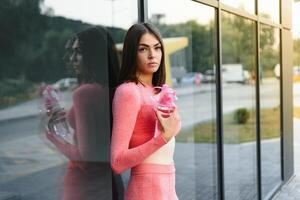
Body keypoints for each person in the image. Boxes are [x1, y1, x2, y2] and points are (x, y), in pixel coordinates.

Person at [45, 26, 122, 200]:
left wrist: (52, 136)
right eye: (72, 52)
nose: (72, 59)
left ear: (94, 54)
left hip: (85, 187)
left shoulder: (84, 93)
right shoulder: (116, 91)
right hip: (110, 183)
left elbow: (86, 159)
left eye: (78, 52)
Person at [110, 23, 181, 200]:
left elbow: (169, 133)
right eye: (143, 49)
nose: (152, 55)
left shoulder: (159, 91)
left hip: (168, 188)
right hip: (146, 191)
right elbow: (117, 162)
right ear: (132, 53)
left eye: (157, 48)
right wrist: (162, 138)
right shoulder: (129, 91)